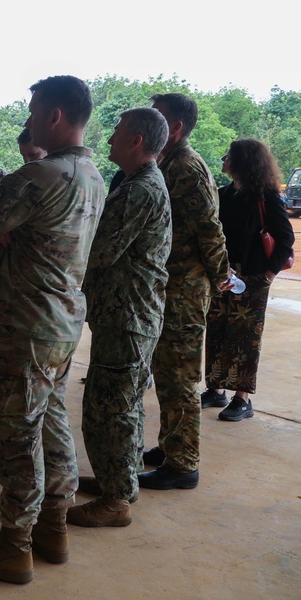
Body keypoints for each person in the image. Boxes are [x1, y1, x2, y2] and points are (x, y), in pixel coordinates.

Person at [0, 75, 105, 584]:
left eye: (35, 111)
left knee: (16, 432)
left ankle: (14, 546)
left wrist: (6, 233)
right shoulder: (94, 175)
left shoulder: (38, 175)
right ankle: (53, 528)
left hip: (24, 323)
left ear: (55, 116)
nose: (29, 119)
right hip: (62, 322)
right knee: (52, 424)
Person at [69, 108, 172, 528]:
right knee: (123, 404)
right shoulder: (138, 183)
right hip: (127, 314)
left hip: (127, 316)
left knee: (109, 409)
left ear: (136, 141)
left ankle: (116, 500)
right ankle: (120, 481)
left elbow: (100, 251)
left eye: (117, 132)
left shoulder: (138, 191)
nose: (109, 138)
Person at [140, 93, 229, 491]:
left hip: (186, 290)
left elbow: (210, 229)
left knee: (180, 377)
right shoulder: (168, 162)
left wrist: (223, 276)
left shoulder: (188, 167)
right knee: (166, 373)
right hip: (169, 285)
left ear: (174, 127)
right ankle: (170, 444)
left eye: (157, 118)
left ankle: (183, 464)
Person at [202, 139, 295, 421]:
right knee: (216, 330)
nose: (223, 158)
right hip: (223, 275)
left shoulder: (265, 196)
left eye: (228, 155)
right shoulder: (224, 193)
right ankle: (216, 389)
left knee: (244, 338)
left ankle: (242, 399)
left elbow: (286, 238)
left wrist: (267, 275)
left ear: (243, 160)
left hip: (252, 277)